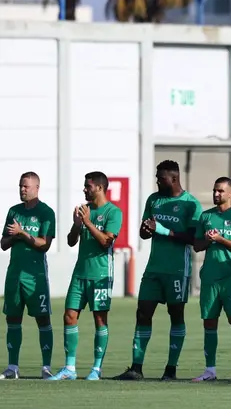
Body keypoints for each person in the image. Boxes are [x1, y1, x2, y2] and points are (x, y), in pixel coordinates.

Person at [113, 161, 203, 381]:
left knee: (176, 315)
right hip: (154, 268)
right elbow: (145, 233)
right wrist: (146, 230)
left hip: (177, 270)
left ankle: (171, 369)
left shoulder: (191, 204)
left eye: (160, 178)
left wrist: (161, 229)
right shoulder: (153, 200)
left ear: (173, 178)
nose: (156, 181)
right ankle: (136, 367)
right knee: (143, 312)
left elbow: (193, 239)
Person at [49, 172, 123, 380]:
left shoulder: (113, 212)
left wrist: (88, 222)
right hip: (80, 273)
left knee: (100, 319)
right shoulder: (84, 211)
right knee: (69, 315)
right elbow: (71, 241)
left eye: (87, 186)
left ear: (99, 188)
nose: (84, 189)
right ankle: (69, 368)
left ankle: (96, 369)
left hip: (100, 274)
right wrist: (77, 224)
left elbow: (106, 242)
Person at [191, 177, 231, 383]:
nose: (216, 194)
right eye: (215, 190)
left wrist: (221, 239)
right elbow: (196, 246)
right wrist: (207, 240)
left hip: (230, 278)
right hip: (209, 278)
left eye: (220, 191)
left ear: (230, 193)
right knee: (209, 322)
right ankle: (210, 370)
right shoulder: (206, 216)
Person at [0, 172, 56, 380]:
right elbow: (4, 244)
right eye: (20, 186)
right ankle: (12, 367)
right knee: (12, 318)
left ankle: (46, 367)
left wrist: (22, 234)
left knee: (43, 319)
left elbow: (44, 244)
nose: (22, 189)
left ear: (36, 188)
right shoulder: (13, 212)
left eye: (26, 186)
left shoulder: (46, 213)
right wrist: (14, 236)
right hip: (14, 274)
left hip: (36, 276)